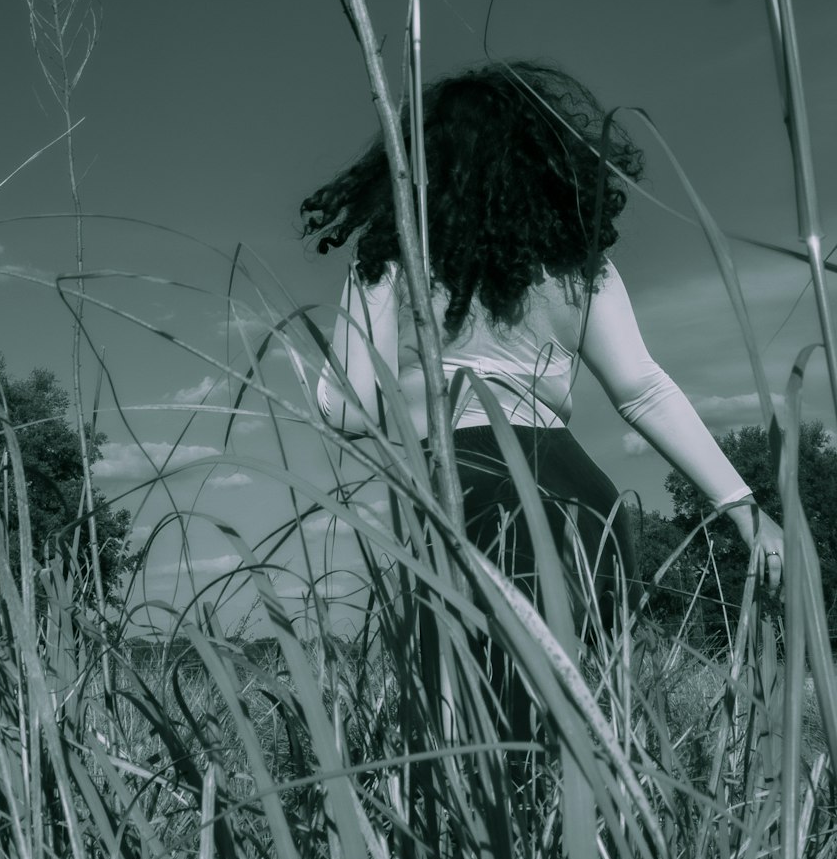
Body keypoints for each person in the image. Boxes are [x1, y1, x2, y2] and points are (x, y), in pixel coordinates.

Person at [302, 61, 785, 729]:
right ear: (540, 155)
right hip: (582, 496)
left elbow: (348, 410)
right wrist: (744, 508)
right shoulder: (572, 262)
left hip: (463, 490)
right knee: (589, 724)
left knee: (470, 731)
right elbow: (642, 388)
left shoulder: (390, 258)